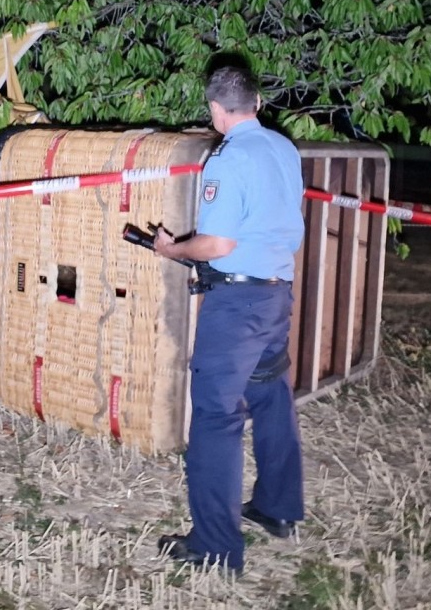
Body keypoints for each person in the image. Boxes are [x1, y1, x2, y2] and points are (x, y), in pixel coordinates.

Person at [152, 64, 306, 573]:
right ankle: (277, 509)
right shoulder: (282, 148)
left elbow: (218, 245)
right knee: (270, 396)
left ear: (216, 111)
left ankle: (216, 545)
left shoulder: (227, 158)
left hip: (237, 306)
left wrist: (175, 250)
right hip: (277, 295)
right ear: (257, 102)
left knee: (216, 418)